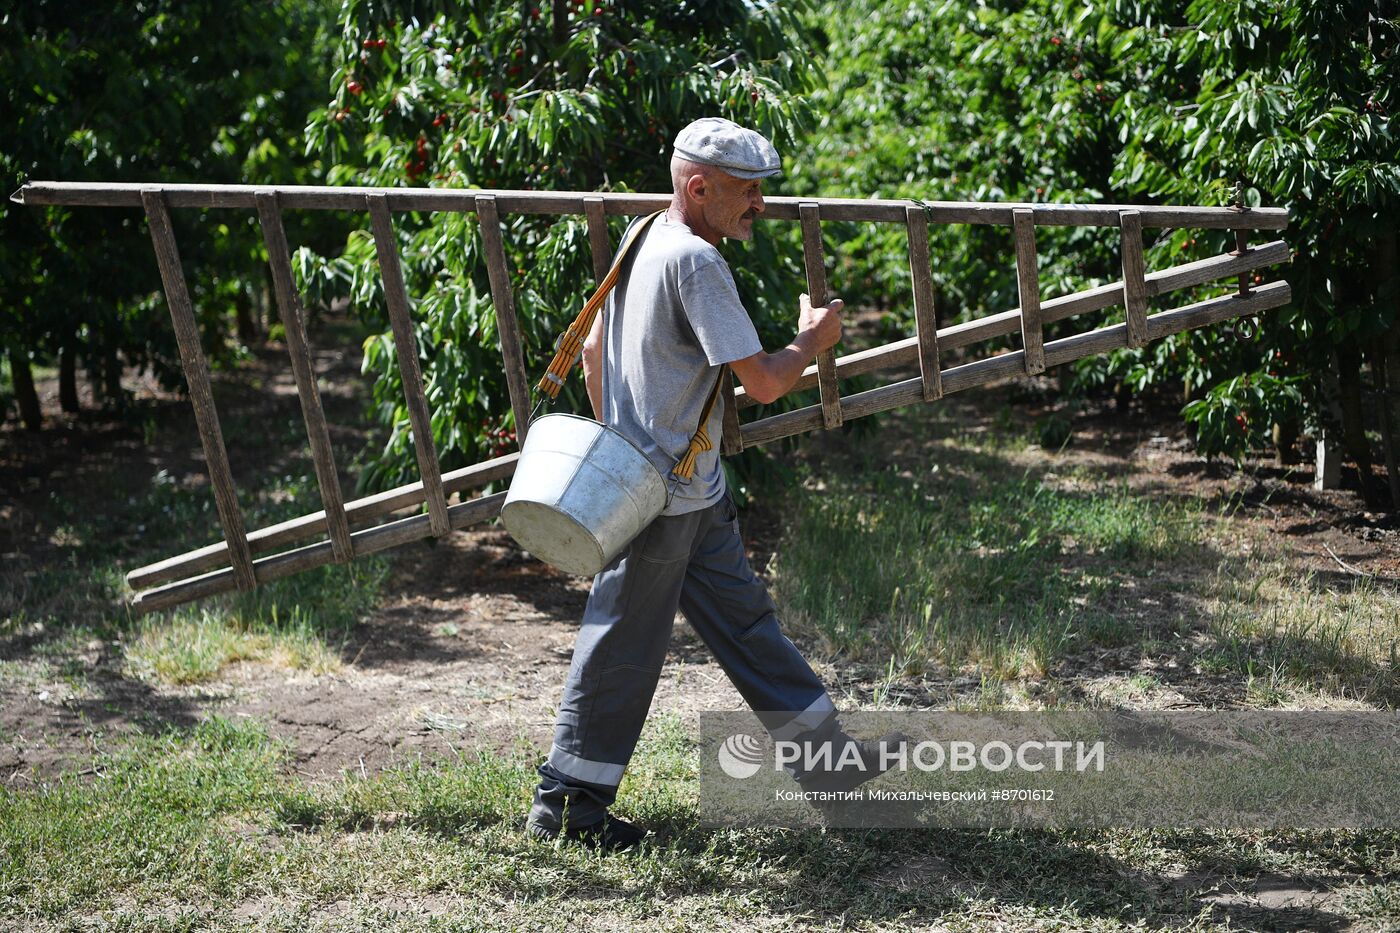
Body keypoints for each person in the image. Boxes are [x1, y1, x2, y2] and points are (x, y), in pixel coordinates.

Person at [525, 117, 894, 850]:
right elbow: (761, 382)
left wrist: (626, 449)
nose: (759, 206)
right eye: (747, 193)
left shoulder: (643, 235)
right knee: (621, 646)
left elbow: (597, 348)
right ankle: (567, 805)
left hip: (682, 492)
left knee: (750, 628)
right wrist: (813, 339)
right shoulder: (696, 261)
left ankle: (833, 770)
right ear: (700, 187)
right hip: (666, 505)